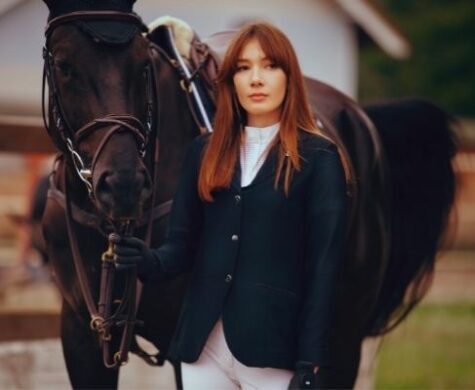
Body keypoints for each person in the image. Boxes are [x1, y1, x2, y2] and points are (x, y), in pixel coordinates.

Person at [112, 21, 350, 389]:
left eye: (270, 66)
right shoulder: (203, 152)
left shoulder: (320, 159)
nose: (256, 79)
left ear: (289, 77)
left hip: (275, 353)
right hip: (202, 349)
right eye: (243, 68)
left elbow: (324, 269)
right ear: (230, 81)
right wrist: (144, 259)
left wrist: (312, 360)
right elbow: (181, 248)